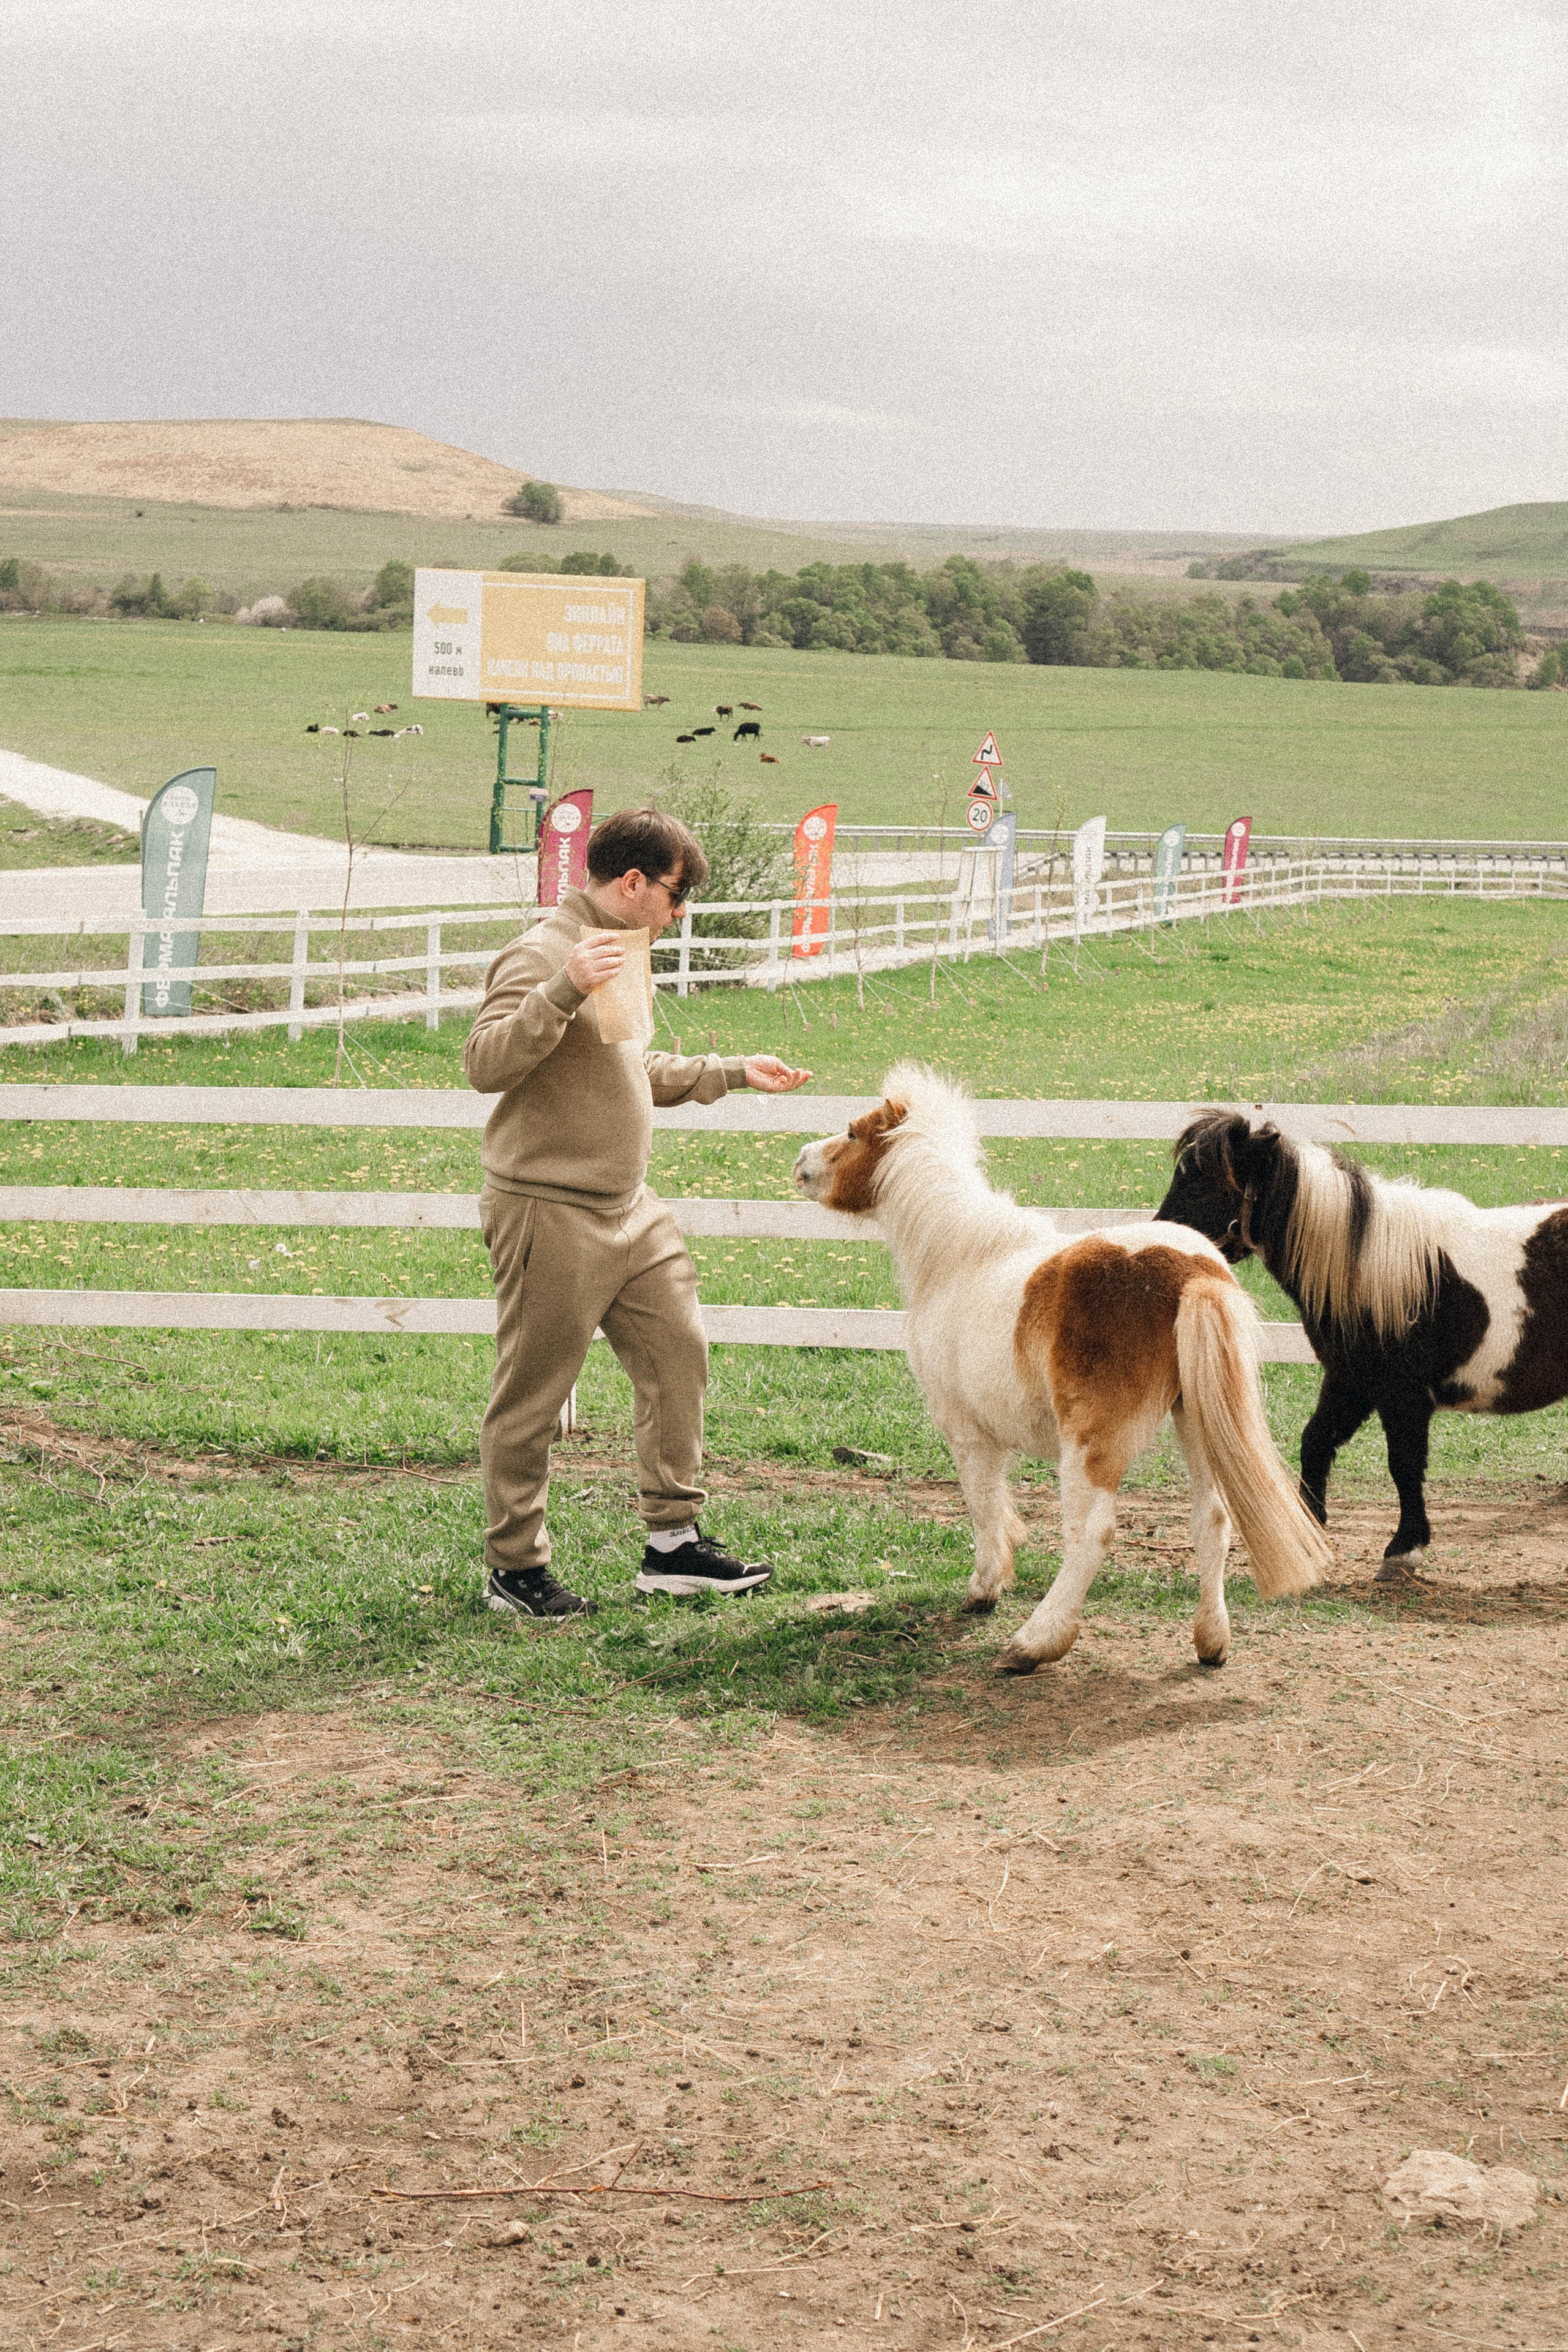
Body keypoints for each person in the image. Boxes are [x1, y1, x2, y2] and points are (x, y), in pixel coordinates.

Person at [463, 805, 812, 1618]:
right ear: (632, 883)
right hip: (549, 1212)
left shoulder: (622, 950)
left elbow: (627, 1069)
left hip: (631, 1212)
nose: (679, 911)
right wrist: (561, 987)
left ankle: (673, 1548)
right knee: (533, 1395)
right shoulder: (545, 953)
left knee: (678, 1352)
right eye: (676, 894)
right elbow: (485, 1064)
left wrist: (729, 1071)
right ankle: (515, 1571)